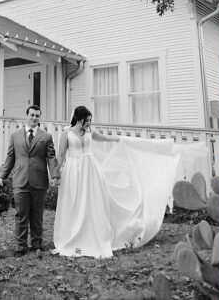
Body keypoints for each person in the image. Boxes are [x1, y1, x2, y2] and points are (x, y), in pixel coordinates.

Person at [52, 106, 179, 258]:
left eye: (90, 121)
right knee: (75, 201)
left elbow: (101, 138)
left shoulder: (89, 132)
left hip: (90, 170)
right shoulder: (67, 133)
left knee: (93, 202)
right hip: (74, 170)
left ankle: (93, 233)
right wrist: (56, 174)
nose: (89, 123)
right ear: (79, 119)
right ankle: (73, 233)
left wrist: (117, 139)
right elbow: (61, 155)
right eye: (87, 120)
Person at [0, 105, 59, 256]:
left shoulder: (46, 136)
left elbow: (51, 157)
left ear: (39, 117)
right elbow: (10, 157)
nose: (34, 118)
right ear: (26, 116)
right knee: (21, 214)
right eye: (32, 115)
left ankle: (37, 244)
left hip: (39, 180)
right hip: (20, 179)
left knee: (37, 215)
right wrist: (2, 176)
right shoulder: (15, 136)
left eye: (37, 116)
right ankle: (21, 247)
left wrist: (55, 176)